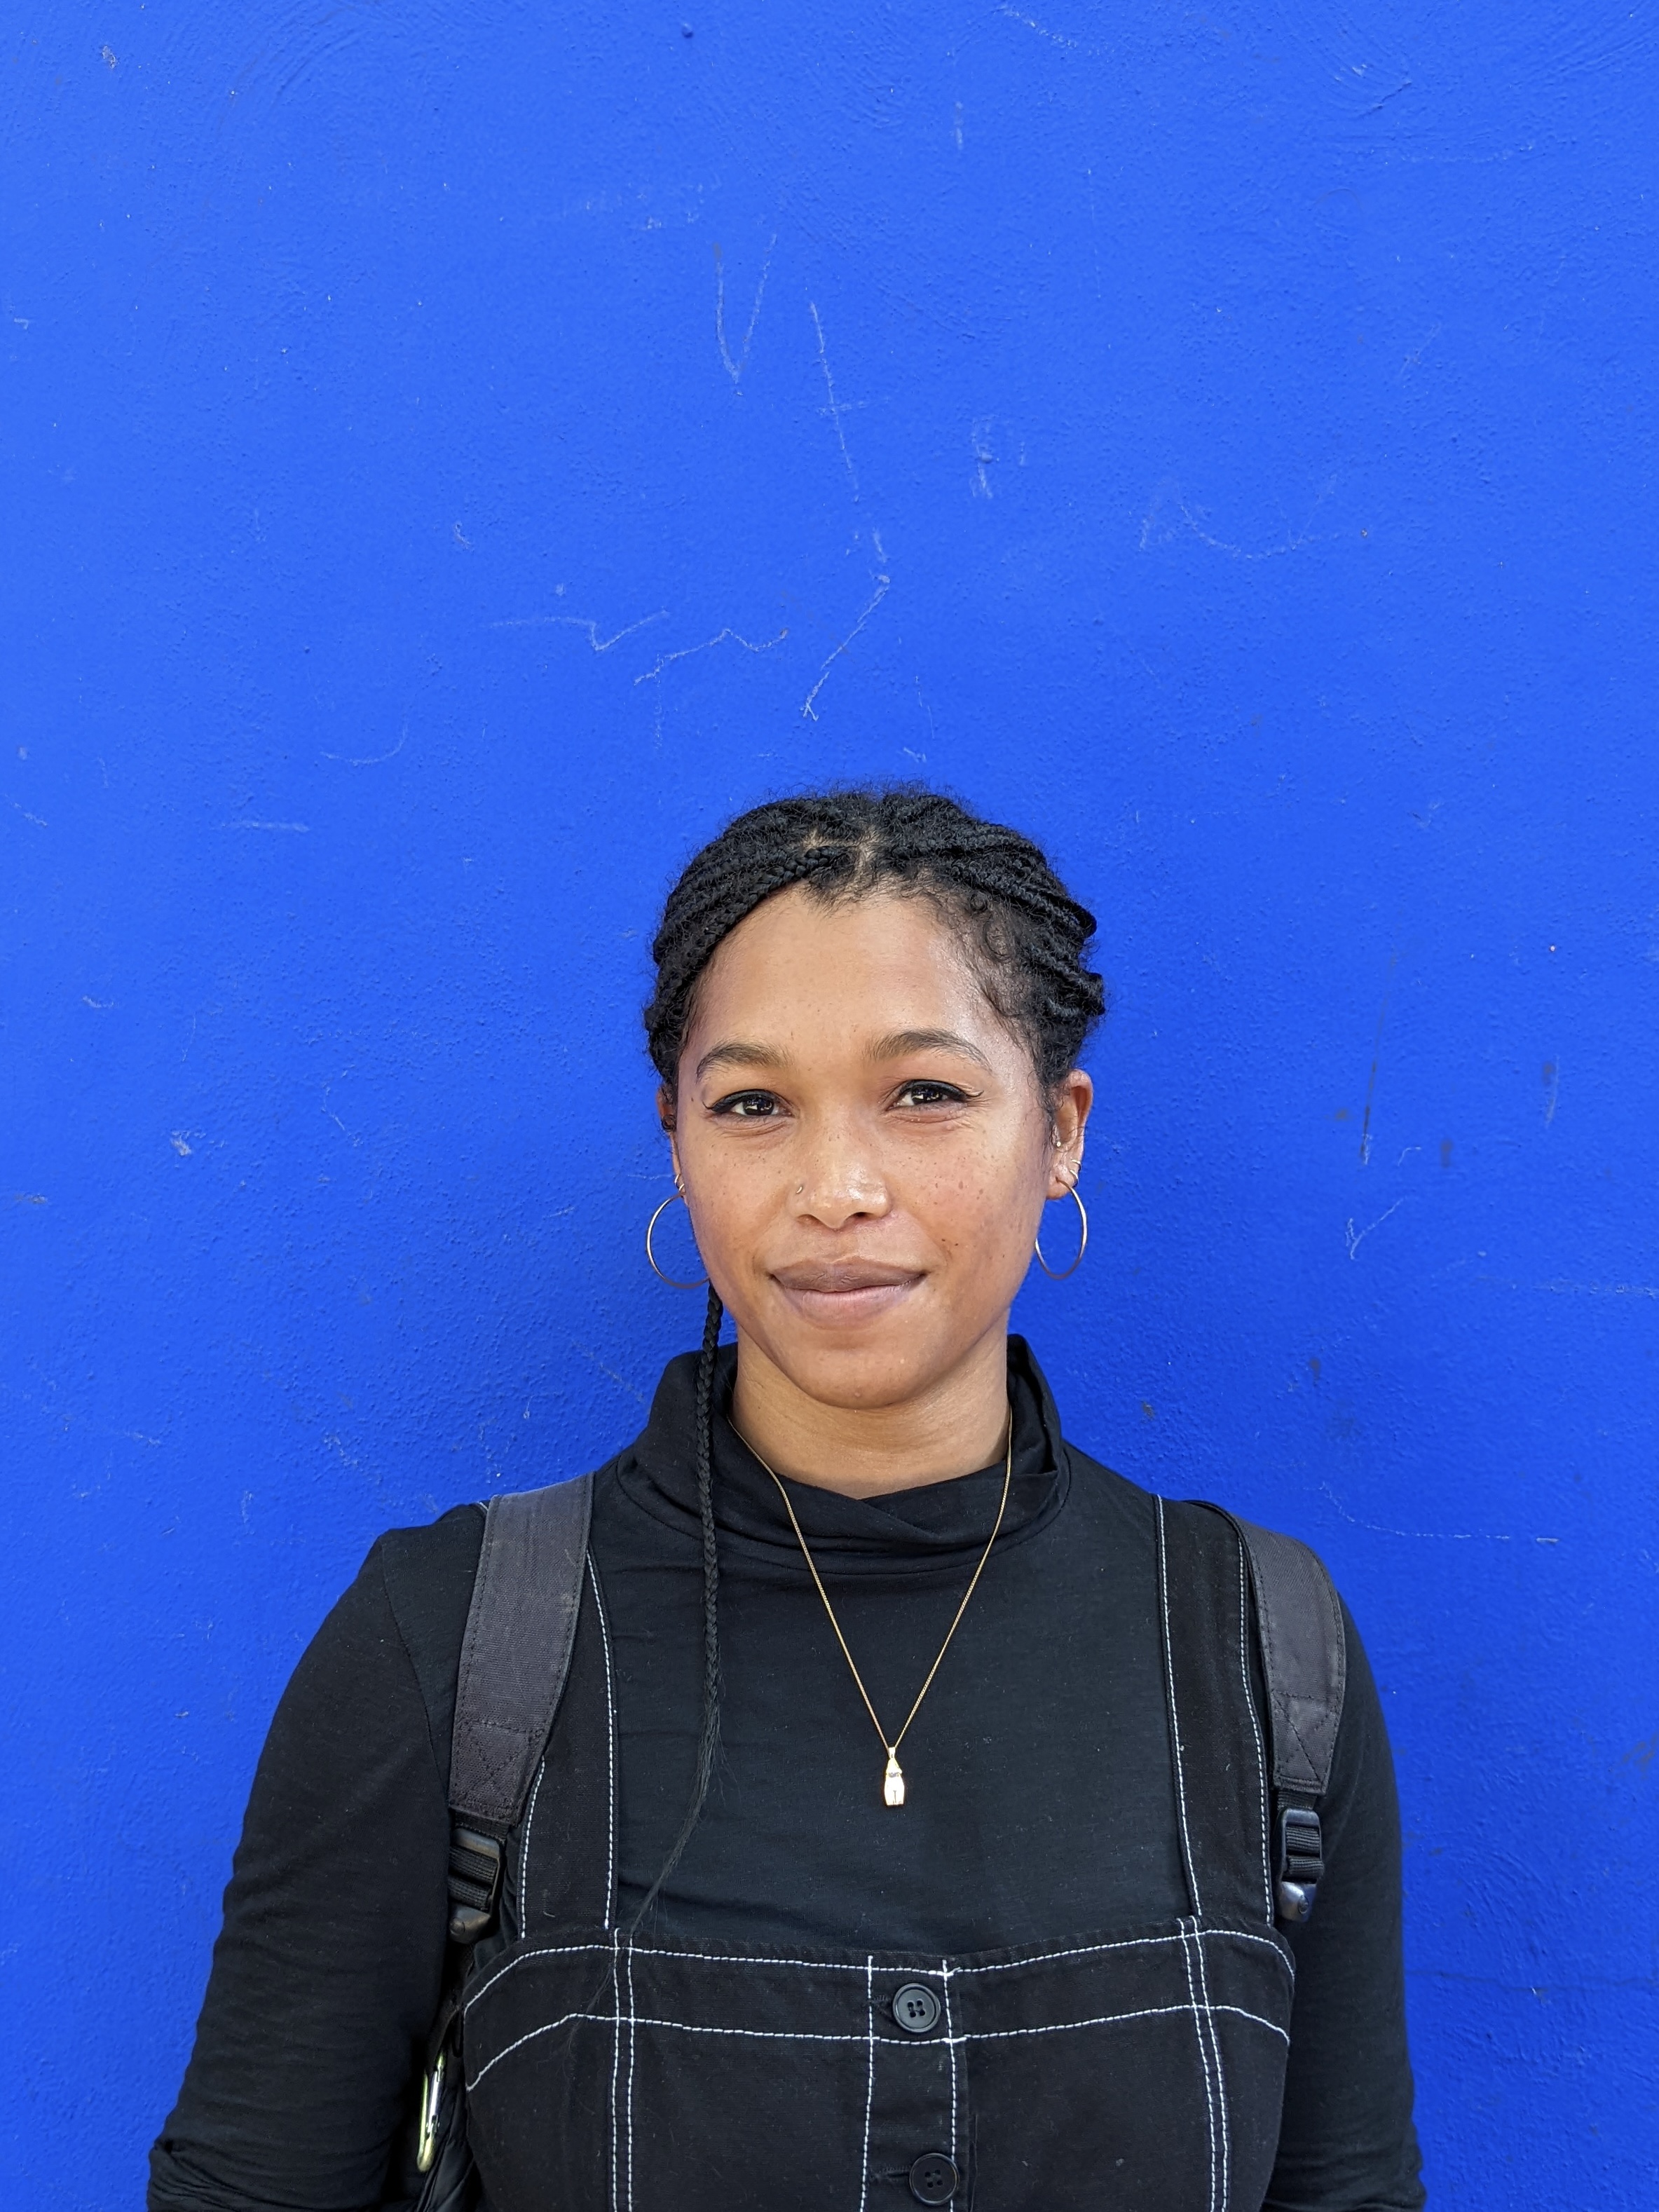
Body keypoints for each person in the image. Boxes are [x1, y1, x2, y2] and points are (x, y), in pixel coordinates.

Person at [149, 787, 1424, 2212]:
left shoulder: (1263, 1656)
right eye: (752, 1105)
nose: (835, 1186)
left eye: (923, 1094)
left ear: (1059, 1131)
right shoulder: (451, 1647)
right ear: (676, 1144)